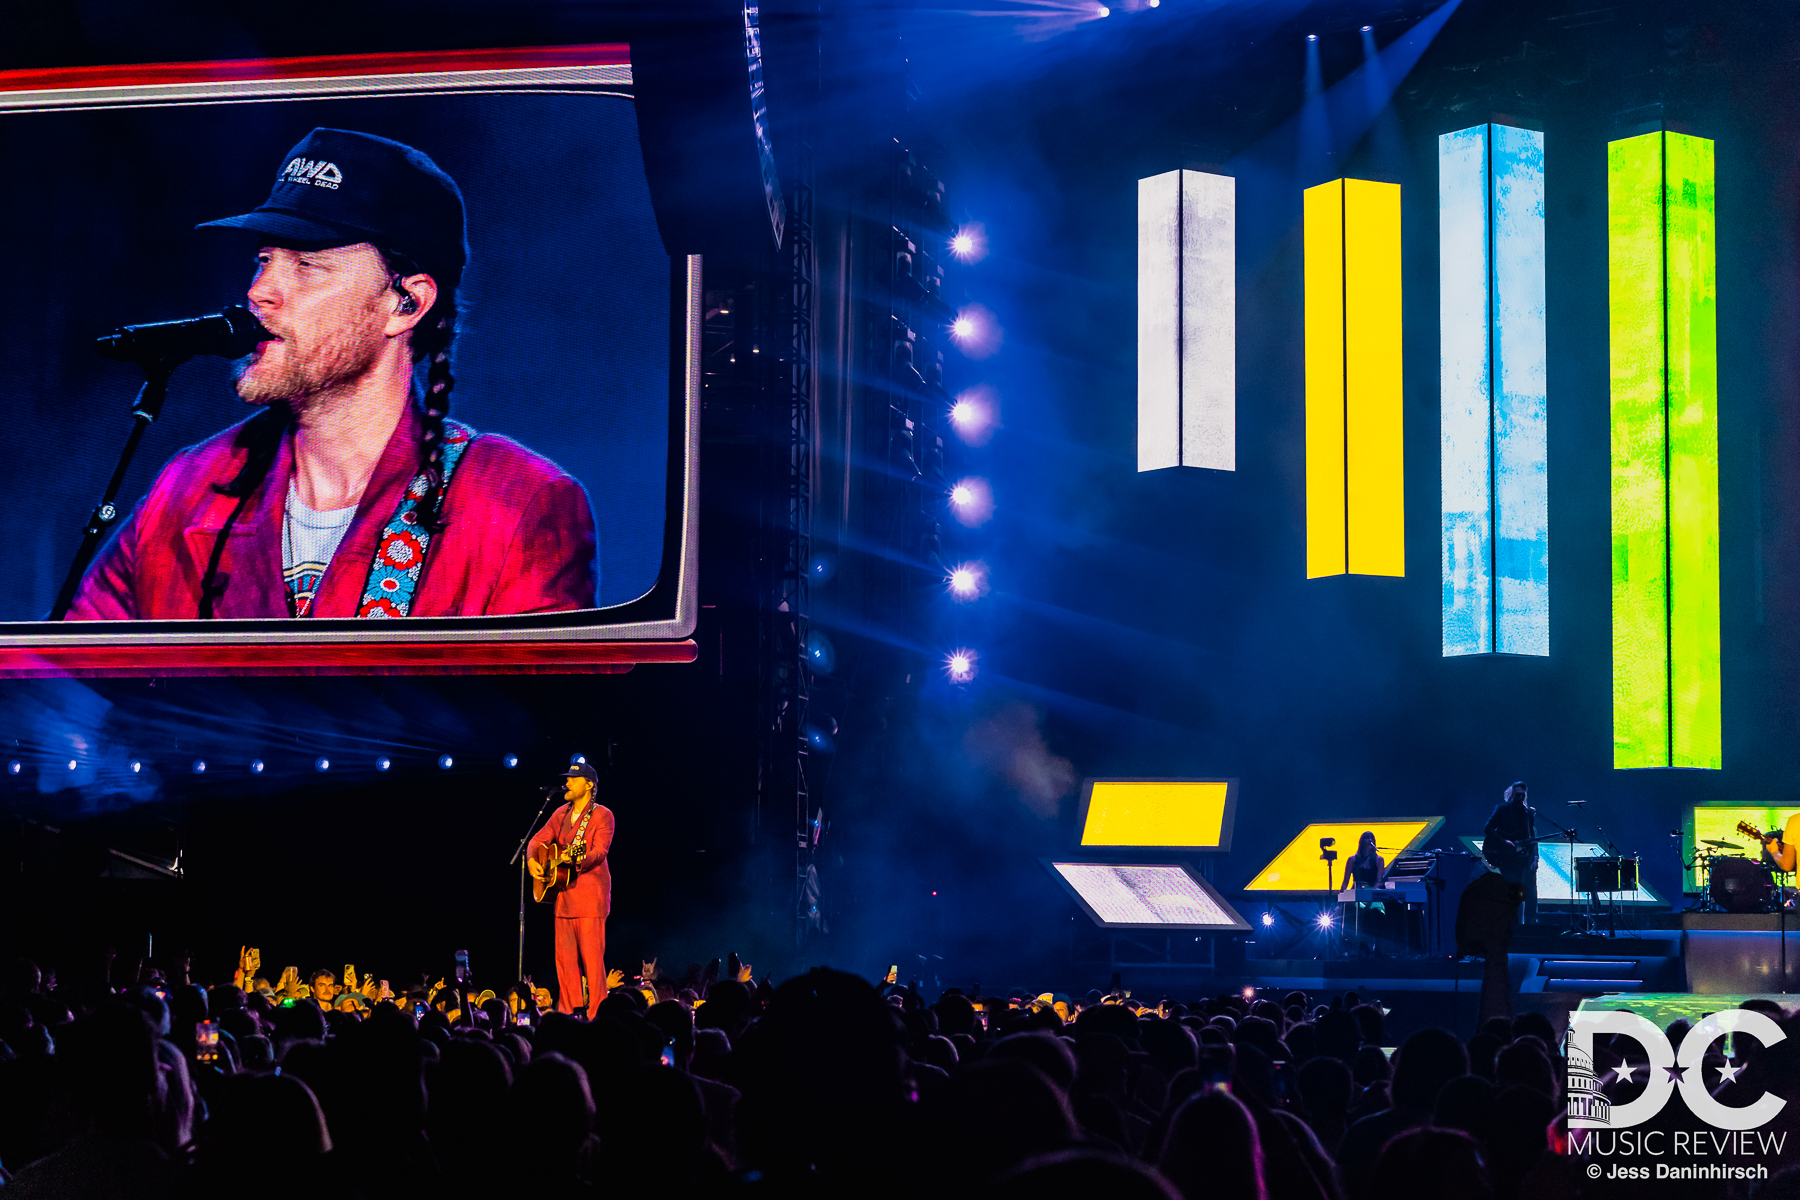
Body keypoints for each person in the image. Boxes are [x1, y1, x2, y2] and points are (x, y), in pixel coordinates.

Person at [66, 127, 598, 621]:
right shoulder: (184, 490)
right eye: (264, 260)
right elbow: (61, 695)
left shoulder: (518, 502)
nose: (259, 291)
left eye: (307, 266)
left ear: (405, 305)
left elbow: (529, 716)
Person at [527, 763, 615, 1018]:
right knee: (565, 963)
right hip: (563, 896)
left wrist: (576, 859)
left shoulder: (602, 815)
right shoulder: (560, 814)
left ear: (589, 784)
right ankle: (568, 1015)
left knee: (592, 964)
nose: (567, 783)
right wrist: (533, 861)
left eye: (574, 779)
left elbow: (599, 852)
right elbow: (536, 841)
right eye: (567, 779)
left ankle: (597, 1016)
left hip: (590, 897)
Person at [1480, 782, 1537, 925]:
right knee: (1513, 890)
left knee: (1529, 893)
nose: (1520, 797)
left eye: (1522, 795)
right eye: (1517, 794)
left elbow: (1532, 837)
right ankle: (1511, 925)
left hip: (1524, 858)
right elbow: (1488, 828)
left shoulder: (1527, 813)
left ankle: (1528, 926)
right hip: (1506, 856)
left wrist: (1535, 857)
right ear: (1512, 794)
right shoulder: (1502, 809)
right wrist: (1504, 842)